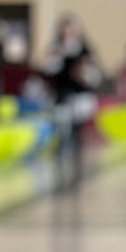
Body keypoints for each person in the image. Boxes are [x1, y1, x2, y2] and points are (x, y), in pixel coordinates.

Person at [44, 15, 101, 188]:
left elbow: (95, 76)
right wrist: (56, 58)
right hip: (62, 96)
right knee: (62, 132)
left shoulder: (84, 50)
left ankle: (77, 170)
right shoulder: (56, 49)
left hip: (80, 96)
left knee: (77, 133)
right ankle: (61, 169)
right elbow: (48, 70)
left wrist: (84, 72)